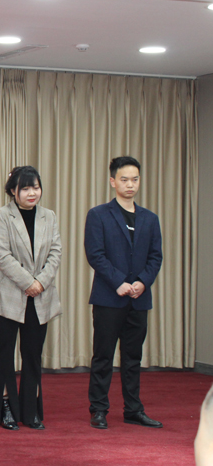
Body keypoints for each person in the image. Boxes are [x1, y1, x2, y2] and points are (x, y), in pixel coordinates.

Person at [86, 156, 163, 429]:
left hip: (139, 299)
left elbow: (155, 256)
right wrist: (118, 282)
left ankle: (133, 409)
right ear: (112, 181)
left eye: (135, 179)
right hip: (109, 298)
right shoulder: (98, 215)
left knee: (133, 359)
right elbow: (95, 254)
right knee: (103, 356)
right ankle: (98, 409)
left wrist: (143, 281)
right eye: (124, 179)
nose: (130, 185)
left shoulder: (150, 218)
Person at [0, 166, 62, 431]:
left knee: (32, 355)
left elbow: (56, 252)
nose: (32, 193)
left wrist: (40, 282)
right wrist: (29, 282)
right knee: (4, 353)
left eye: (35, 187)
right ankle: (6, 406)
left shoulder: (49, 216)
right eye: (25, 188)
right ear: (12, 191)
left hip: (40, 296)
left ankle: (31, 411)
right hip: (8, 295)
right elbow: (2, 256)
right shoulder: (1, 215)